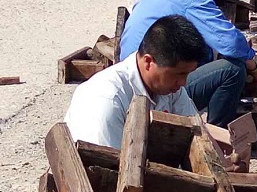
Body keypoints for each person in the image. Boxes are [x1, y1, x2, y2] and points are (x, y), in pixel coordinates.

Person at [121, 0, 257, 128]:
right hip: (155, 85)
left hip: (131, 72)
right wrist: (253, 66)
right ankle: (218, 134)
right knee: (233, 69)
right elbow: (230, 42)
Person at [65, 16, 205, 150]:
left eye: (187, 74)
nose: (183, 82)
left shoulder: (169, 87)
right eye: (179, 74)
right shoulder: (107, 100)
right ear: (148, 62)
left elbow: (197, 133)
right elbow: (104, 162)